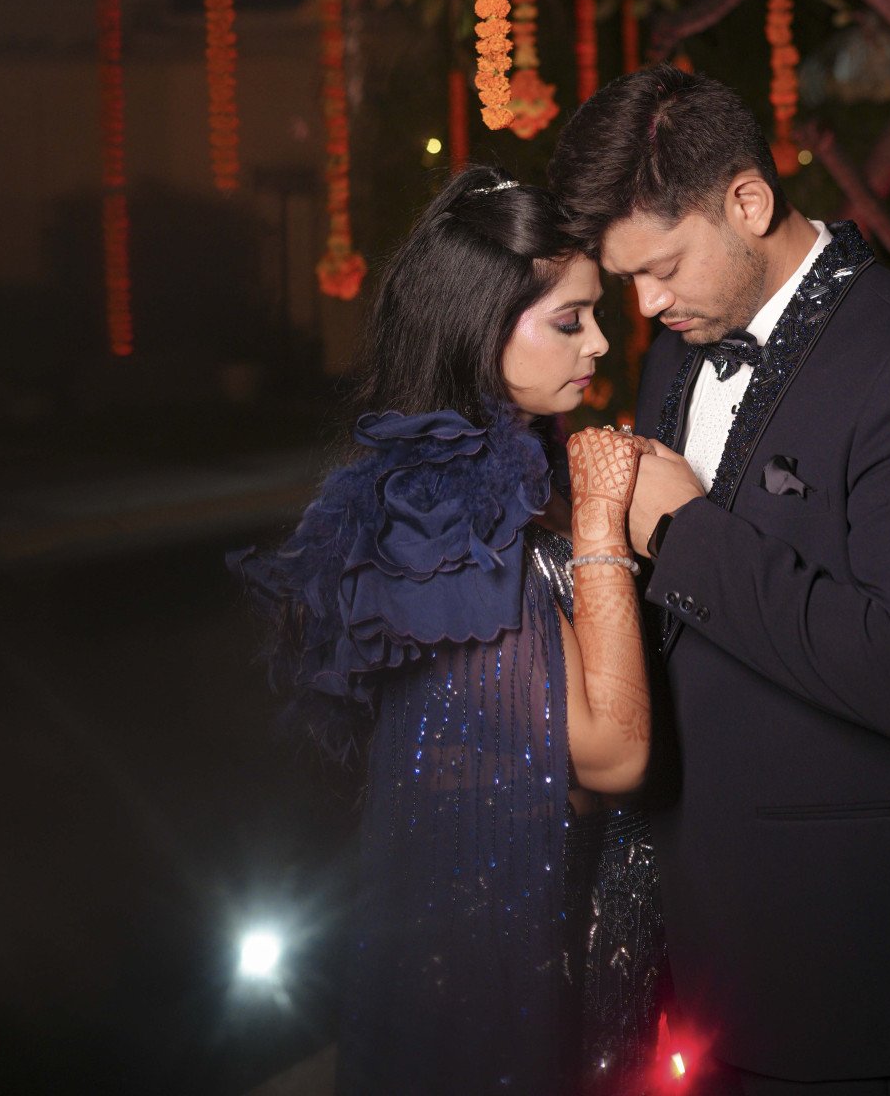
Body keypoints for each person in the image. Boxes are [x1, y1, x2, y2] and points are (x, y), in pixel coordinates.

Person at [549, 67, 890, 1096]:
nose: (646, 304)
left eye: (661, 268)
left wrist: (684, 533)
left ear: (749, 202)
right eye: (628, 280)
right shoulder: (677, 350)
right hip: (678, 944)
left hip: (833, 958)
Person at [230, 168, 666, 1095]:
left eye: (595, 313)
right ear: (479, 327)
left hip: (575, 916)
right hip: (513, 945)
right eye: (569, 320)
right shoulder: (446, 506)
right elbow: (614, 755)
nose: (600, 340)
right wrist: (600, 525)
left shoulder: (511, 467)